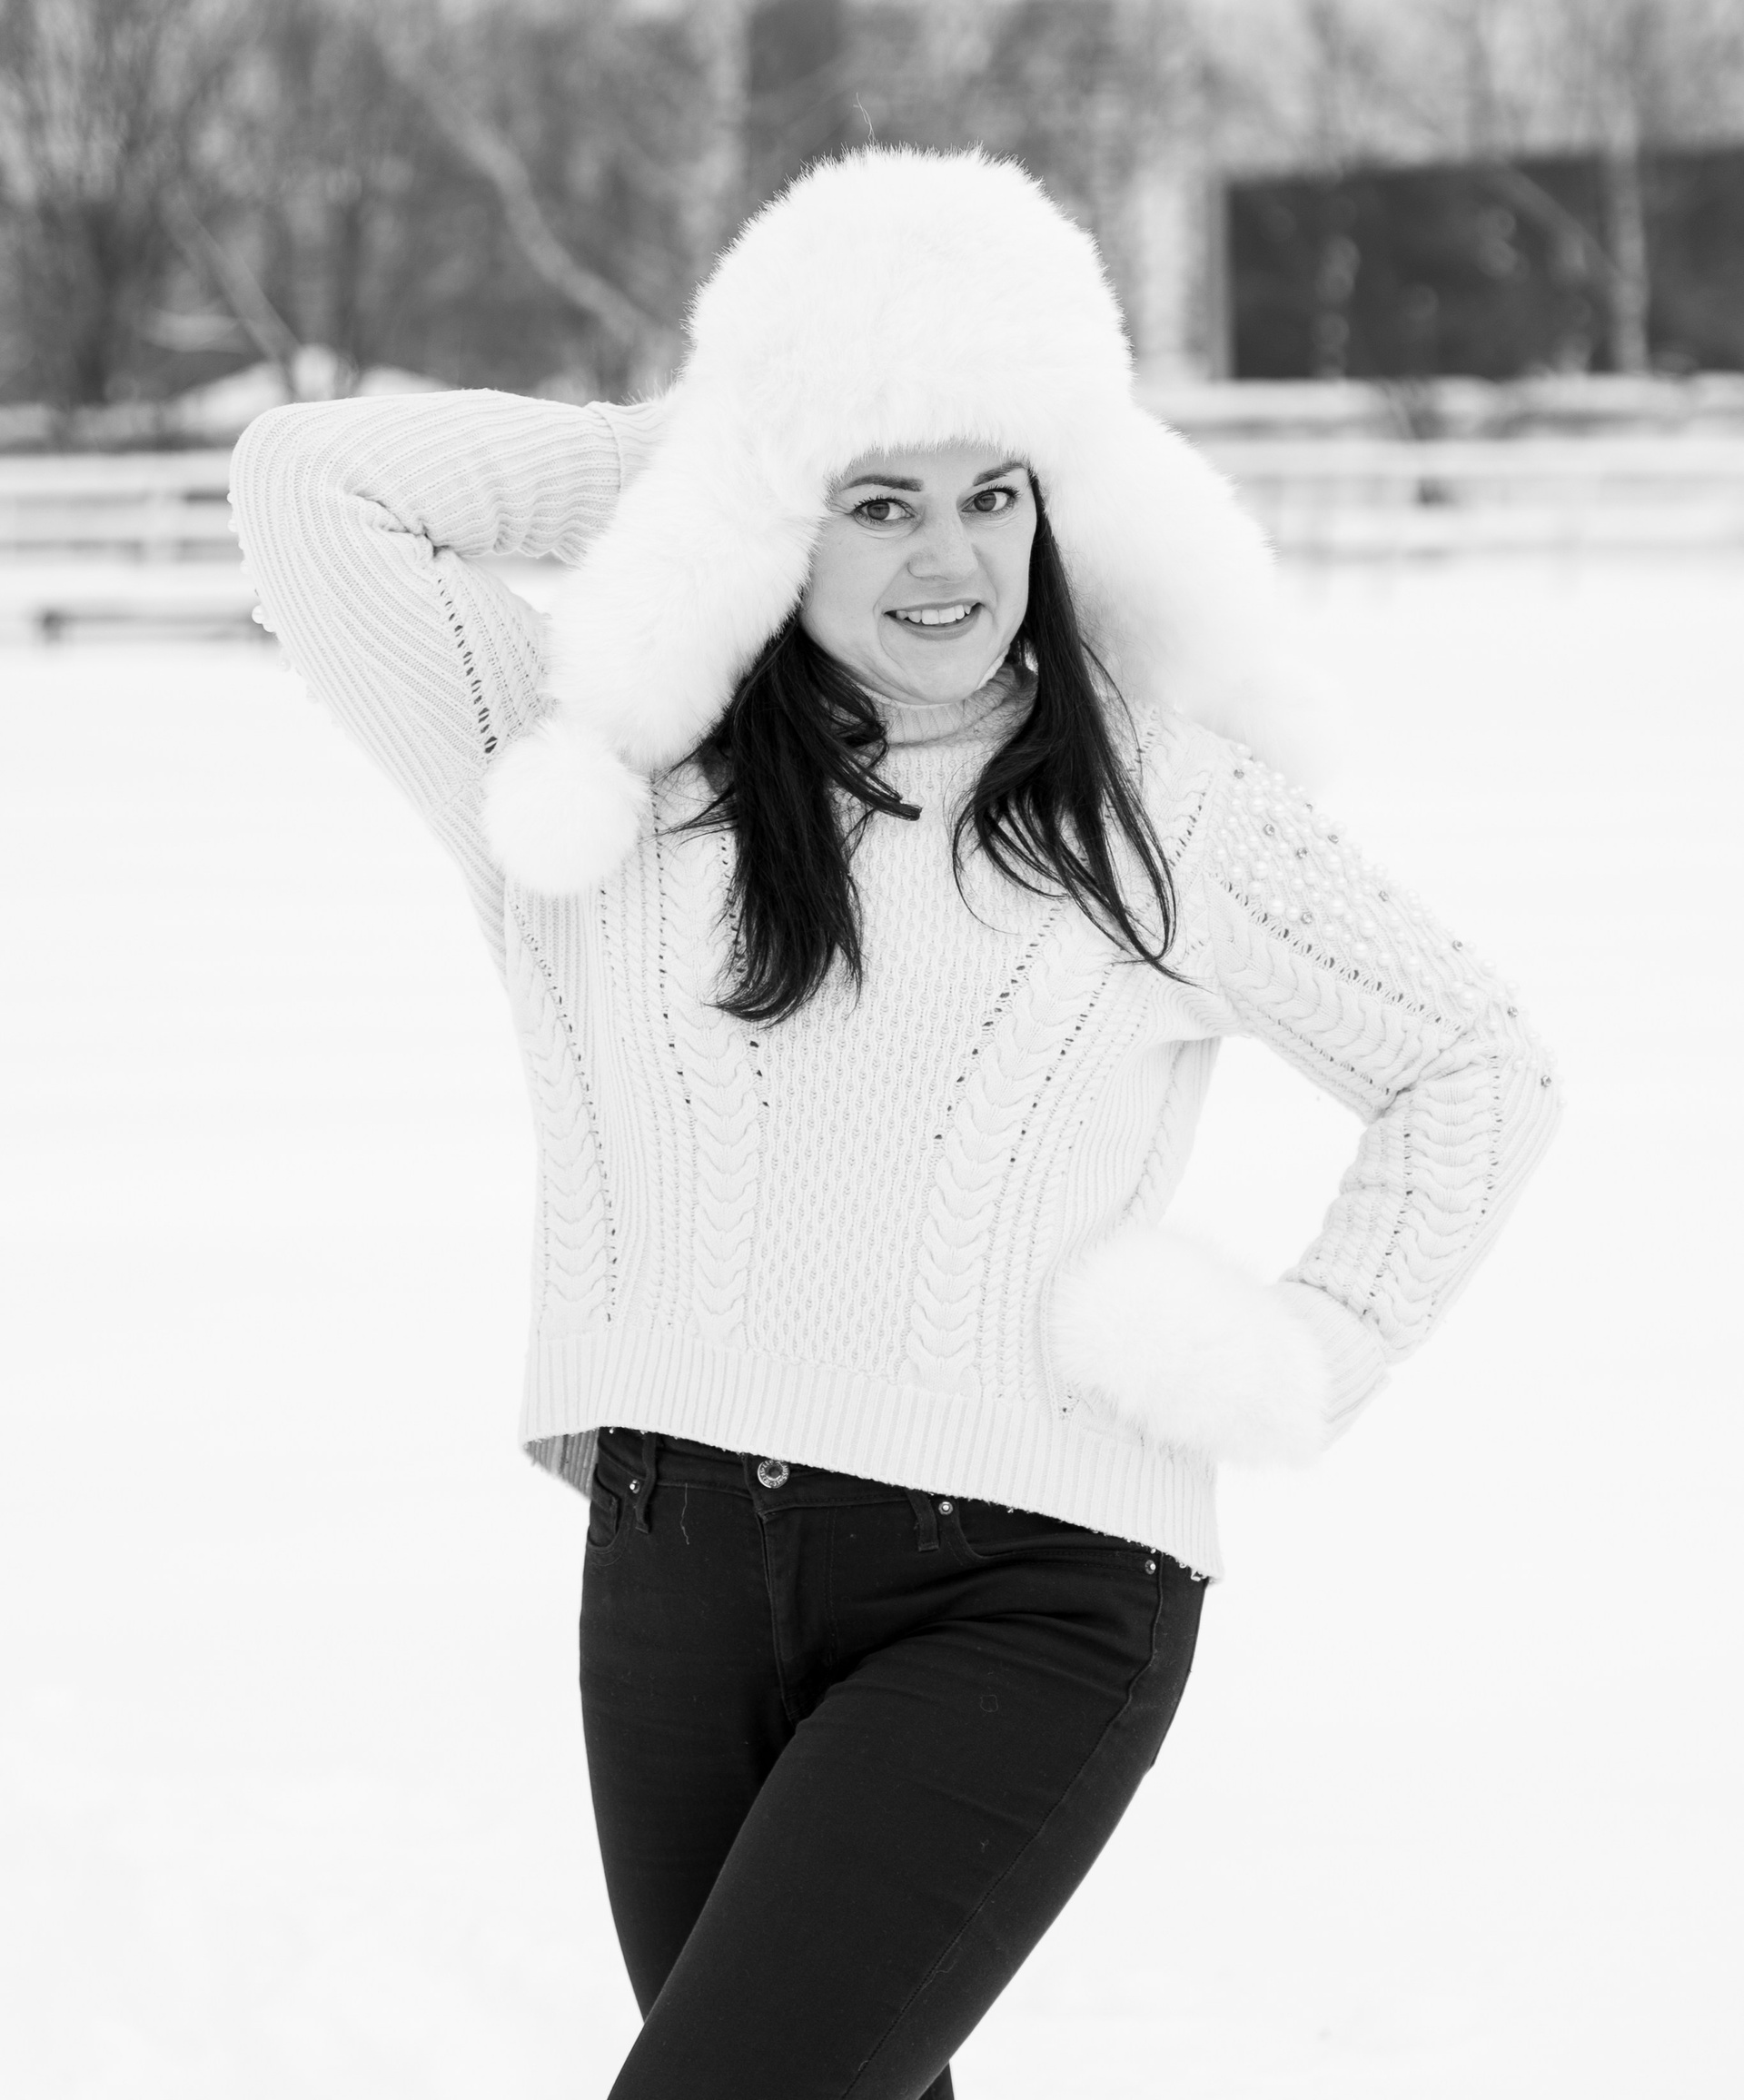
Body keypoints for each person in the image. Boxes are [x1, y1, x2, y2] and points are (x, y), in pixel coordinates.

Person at [230, 146, 1561, 2100]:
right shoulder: (598, 778)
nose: (953, 560)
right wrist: (735, 439)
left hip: (1025, 1591)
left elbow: (1477, 1070)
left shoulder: (1160, 804)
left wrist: (1303, 1344)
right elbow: (308, 485)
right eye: (879, 500)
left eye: (994, 490)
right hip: (677, 1570)